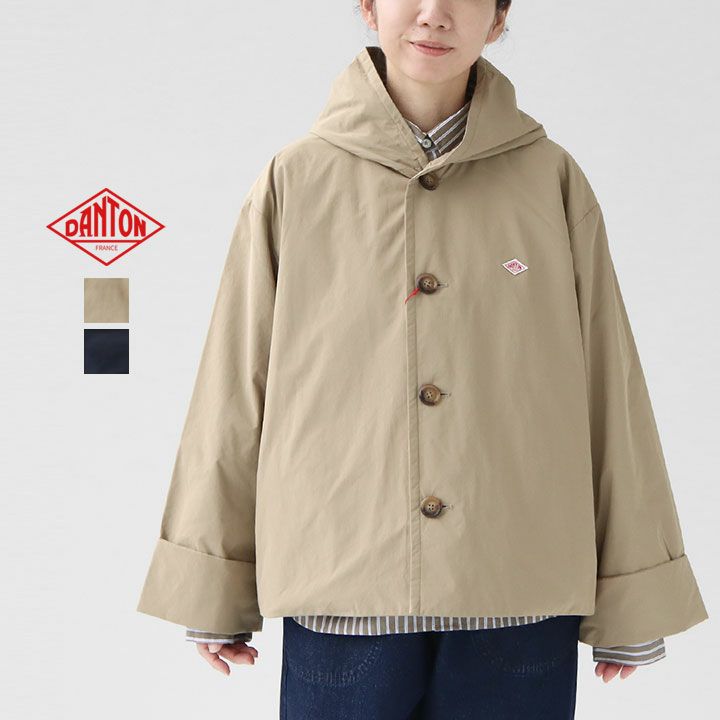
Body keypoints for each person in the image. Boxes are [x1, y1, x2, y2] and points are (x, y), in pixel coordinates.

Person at [136, 1, 709, 717]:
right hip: (342, 590)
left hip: (518, 589)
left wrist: (635, 591)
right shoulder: (298, 179)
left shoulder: (550, 180)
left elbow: (609, 388)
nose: (434, 14)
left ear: (497, 20)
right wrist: (212, 582)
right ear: (369, 7)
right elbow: (235, 385)